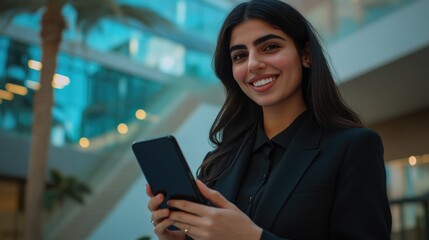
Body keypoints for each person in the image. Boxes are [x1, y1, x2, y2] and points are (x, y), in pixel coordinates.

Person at [147, 0, 392, 239]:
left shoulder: (354, 147)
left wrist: (252, 237)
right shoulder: (218, 162)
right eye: (240, 55)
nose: (253, 64)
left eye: (270, 47)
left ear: (306, 54)